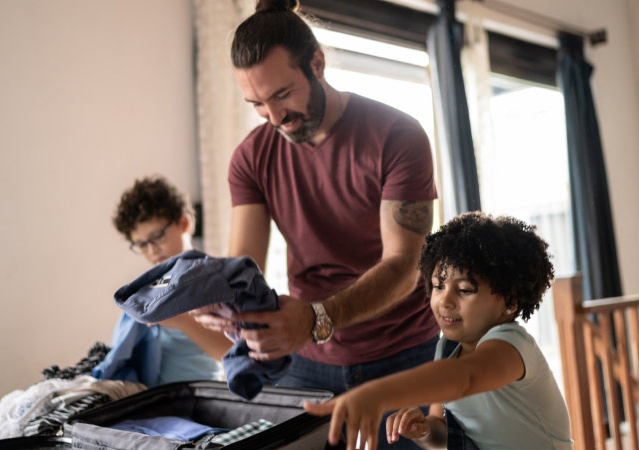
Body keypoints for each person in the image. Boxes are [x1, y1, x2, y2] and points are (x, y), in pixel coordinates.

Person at [192, 1, 438, 448]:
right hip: (306, 365)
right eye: (257, 104)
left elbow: (405, 265)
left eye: (282, 95)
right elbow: (242, 268)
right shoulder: (250, 157)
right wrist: (215, 297)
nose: (275, 118)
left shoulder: (398, 136)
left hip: (404, 355)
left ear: (317, 63)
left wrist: (318, 317)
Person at [304, 212, 573, 450]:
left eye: (465, 290)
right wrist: (423, 431)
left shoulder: (511, 346)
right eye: (438, 286)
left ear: (509, 303)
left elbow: (464, 378)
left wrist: (376, 394)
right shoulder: (446, 348)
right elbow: (441, 434)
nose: (445, 301)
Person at [111, 176, 232, 384]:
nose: (151, 250)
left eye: (157, 236)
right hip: (153, 400)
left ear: (184, 222)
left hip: (199, 398)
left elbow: (235, 352)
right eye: (141, 244)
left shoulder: (213, 278)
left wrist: (181, 320)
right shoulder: (149, 289)